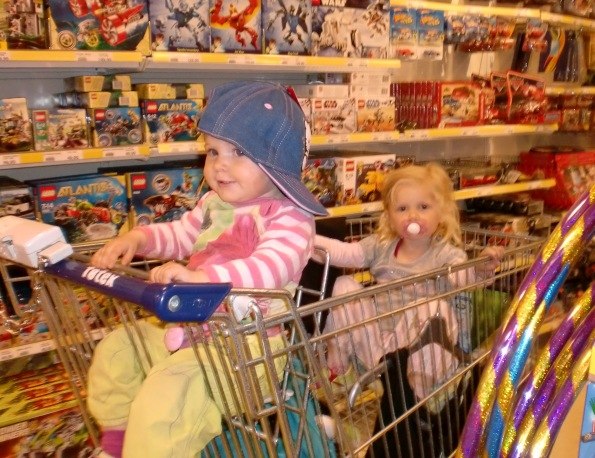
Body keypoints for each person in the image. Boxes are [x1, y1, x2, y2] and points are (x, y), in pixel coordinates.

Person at [88, 80, 328, 458]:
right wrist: (138, 239)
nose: (220, 164)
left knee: (167, 395)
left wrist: (203, 281)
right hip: (191, 332)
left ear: (278, 163)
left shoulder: (290, 217)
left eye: (239, 152)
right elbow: (180, 234)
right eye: (213, 151)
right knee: (118, 350)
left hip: (250, 351)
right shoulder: (213, 204)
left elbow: (269, 267)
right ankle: (117, 445)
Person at [312, 163, 504, 399]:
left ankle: (420, 386)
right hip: (376, 346)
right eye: (402, 208)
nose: (413, 216)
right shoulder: (382, 245)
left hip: (416, 352)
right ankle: (340, 366)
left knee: (435, 309)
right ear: (389, 216)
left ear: (441, 212)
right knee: (344, 285)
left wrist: (480, 268)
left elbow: (462, 277)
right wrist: (307, 240)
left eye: (423, 207)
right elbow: (345, 253)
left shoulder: (445, 254)